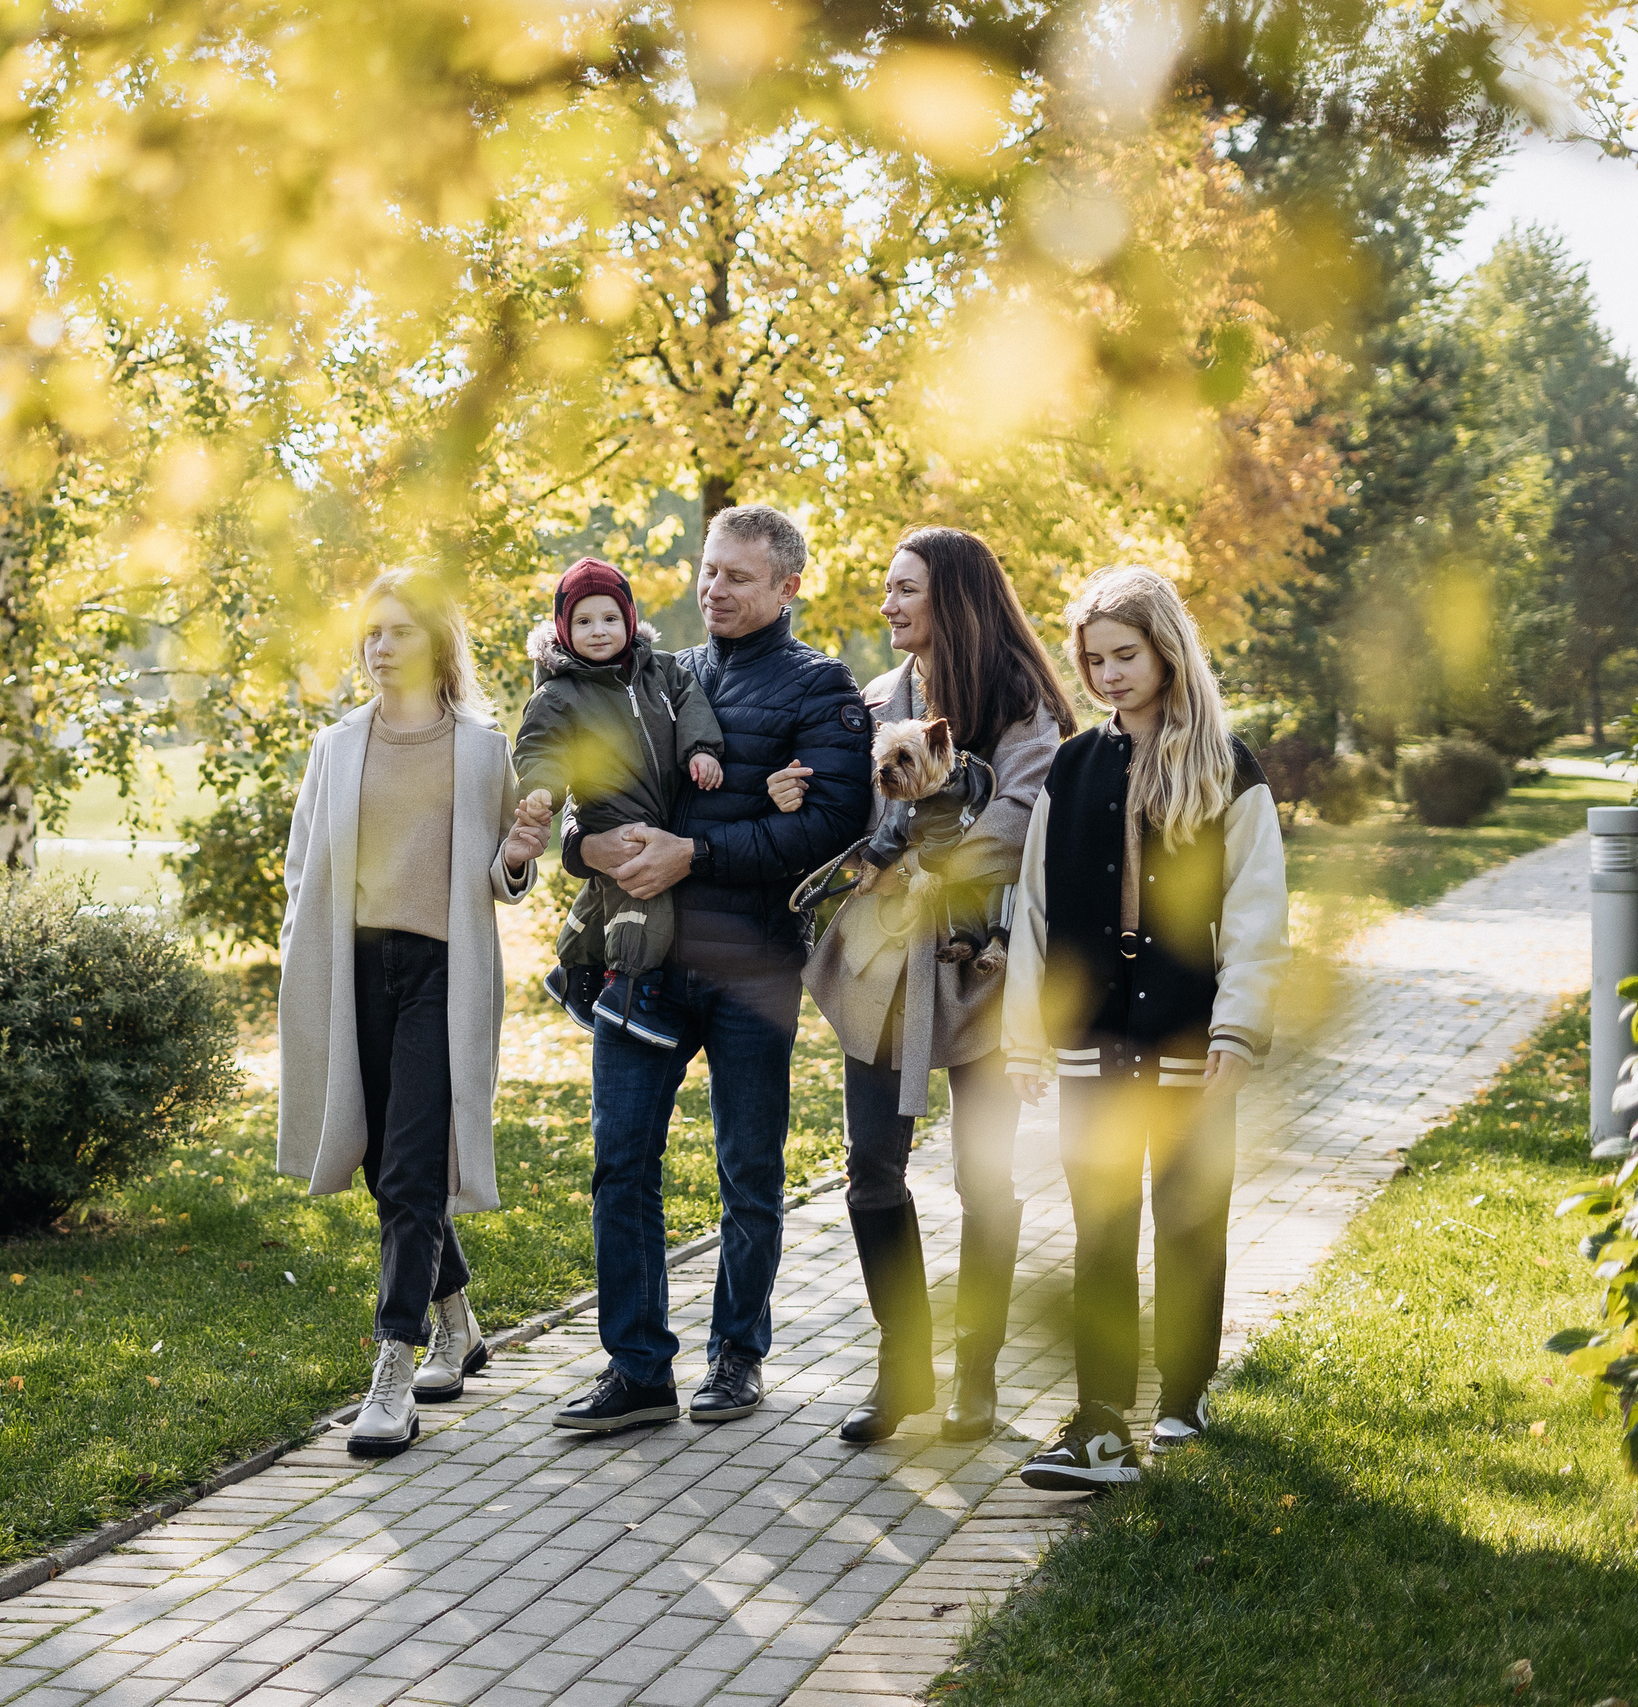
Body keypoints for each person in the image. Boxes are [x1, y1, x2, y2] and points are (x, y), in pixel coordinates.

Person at [550, 504, 875, 1434]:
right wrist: (591, 850)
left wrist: (692, 853)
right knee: (620, 1165)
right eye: (708, 570)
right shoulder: (660, 676)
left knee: (749, 1171)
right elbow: (591, 795)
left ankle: (738, 1354)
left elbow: (828, 827)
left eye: (738, 575)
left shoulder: (823, 688)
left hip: (750, 971)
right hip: (643, 966)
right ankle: (638, 1368)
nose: (715, 588)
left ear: (787, 586)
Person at [1003, 565, 1290, 1489]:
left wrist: (1239, 1032)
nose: (1109, 673)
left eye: (1126, 654)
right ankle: (1097, 1420)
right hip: (1091, 1042)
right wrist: (1023, 1035)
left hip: (1186, 1042)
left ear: (1168, 651)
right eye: (1093, 659)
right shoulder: (1073, 767)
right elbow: (1035, 911)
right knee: (1100, 1228)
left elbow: (1257, 914)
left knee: (1189, 1222)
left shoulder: (1227, 770)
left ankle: (1184, 1391)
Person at [276, 569, 551, 1458]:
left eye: (398, 630)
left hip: (442, 972)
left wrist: (516, 858)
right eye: (371, 631)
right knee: (379, 1161)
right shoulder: (335, 746)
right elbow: (301, 867)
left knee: (411, 1167)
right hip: (355, 973)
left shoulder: (480, 748)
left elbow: (509, 875)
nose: (380, 646)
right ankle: (460, 1320)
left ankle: (394, 1369)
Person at [813, 528, 1074, 1445]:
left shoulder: (1023, 703)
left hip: (983, 973)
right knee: (872, 1171)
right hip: (886, 970)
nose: (885, 604)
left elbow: (1015, 826)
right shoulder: (879, 698)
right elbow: (850, 818)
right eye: (886, 588)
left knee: (983, 1172)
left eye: (903, 589)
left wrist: (914, 865)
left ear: (951, 597)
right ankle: (903, 1365)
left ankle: (977, 1372)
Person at [514, 556, 726, 1048]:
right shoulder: (559, 695)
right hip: (610, 814)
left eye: (610, 618)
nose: (599, 631)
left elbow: (693, 702)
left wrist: (700, 749)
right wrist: (542, 789)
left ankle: (574, 971)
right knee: (643, 899)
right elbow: (541, 747)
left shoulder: (664, 670)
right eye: (583, 622)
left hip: (660, 807)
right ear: (564, 630)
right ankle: (631, 991)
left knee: (604, 895)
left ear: (629, 620)